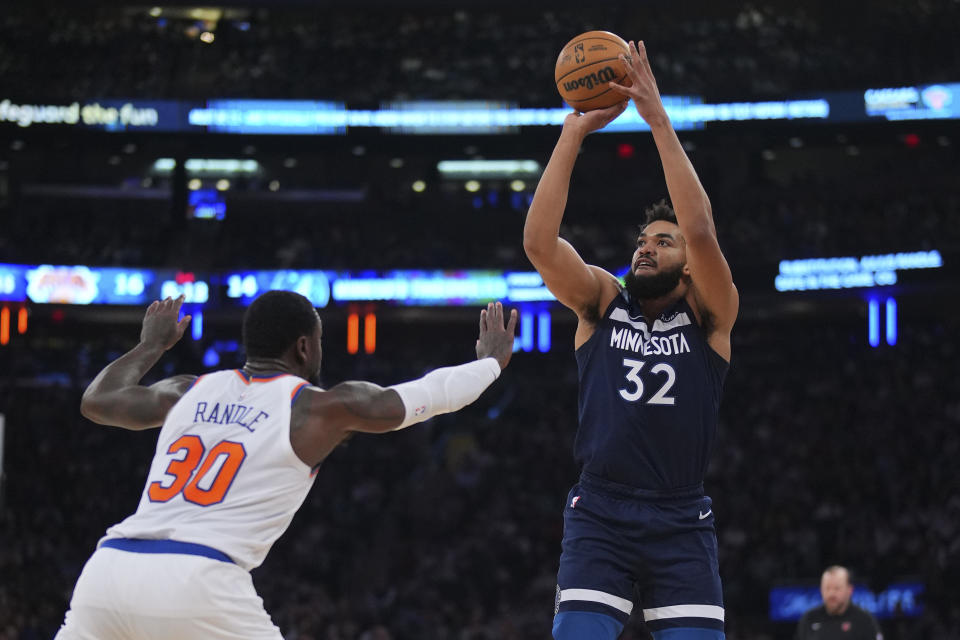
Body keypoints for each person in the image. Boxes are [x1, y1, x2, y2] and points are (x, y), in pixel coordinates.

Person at [55, 291, 517, 640]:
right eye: (319, 342)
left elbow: (98, 401)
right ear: (303, 347)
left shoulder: (187, 389)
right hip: (200, 579)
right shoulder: (317, 407)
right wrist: (491, 364)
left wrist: (150, 346)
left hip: (109, 572)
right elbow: (423, 396)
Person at [523, 40, 739, 640]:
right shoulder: (599, 301)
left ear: (689, 265)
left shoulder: (711, 319)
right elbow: (540, 245)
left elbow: (699, 228)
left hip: (680, 518)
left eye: (662, 242)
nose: (647, 246)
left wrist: (656, 118)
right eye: (643, 239)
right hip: (600, 513)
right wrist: (574, 131)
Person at [795, 566, 884, 640]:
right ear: (821, 590)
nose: (831, 593)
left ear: (849, 590)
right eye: (827, 588)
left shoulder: (864, 620)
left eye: (837, 588)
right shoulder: (809, 619)